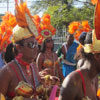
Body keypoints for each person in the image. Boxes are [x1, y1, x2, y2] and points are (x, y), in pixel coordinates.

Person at [36, 14, 64, 81]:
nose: (51, 42)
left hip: (55, 80)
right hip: (45, 82)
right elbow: (38, 70)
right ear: (44, 43)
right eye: (48, 41)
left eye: (51, 40)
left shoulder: (54, 54)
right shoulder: (41, 55)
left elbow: (58, 68)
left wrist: (63, 79)